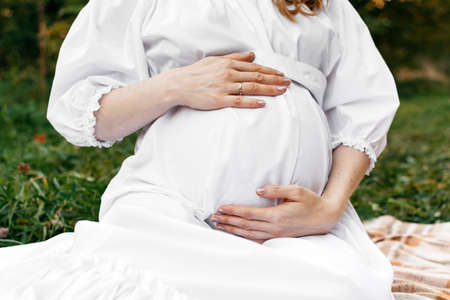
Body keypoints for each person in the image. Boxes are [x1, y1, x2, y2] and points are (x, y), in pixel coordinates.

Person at [0, 0, 400, 299]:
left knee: (338, 290)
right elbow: (81, 113)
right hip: (174, 209)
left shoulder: (323, 3)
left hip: (301, 226)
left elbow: (362, 106)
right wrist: (175, 85)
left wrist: (329, 208)